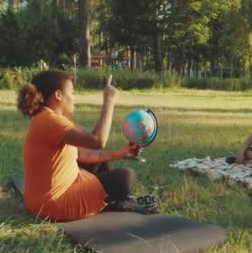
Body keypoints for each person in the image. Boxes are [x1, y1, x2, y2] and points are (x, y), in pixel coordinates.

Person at [17, 70, 159, 221]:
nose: (74, 98)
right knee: (126, 177)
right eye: (71, 92)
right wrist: (109, 100)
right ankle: (116, 201)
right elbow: (97, 140)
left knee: (102, 161)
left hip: (44, 199)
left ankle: (116, 200)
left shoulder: (47, 118)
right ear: (58, 95)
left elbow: (83, 153)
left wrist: (120, 153)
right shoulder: (50, 120)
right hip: (54, 205)